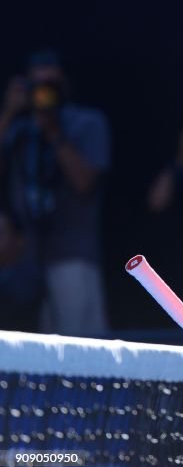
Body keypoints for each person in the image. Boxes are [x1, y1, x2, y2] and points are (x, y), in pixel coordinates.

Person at [0, 50, 111, 337]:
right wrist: (9, 112)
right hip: (24, 257)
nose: (43, 96)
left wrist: (53, 132)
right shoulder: (18, 128)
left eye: (50, 87)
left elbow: (85, 181)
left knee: (84, 346)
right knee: (42, 350)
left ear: (64, 85)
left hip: (72, 252)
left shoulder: (86, 122)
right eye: (37, 87)